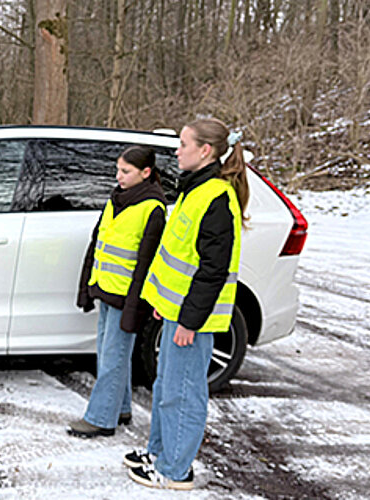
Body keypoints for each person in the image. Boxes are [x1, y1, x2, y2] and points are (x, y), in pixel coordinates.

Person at [125, 118, 247, 490]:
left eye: (182, 144)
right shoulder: (195, 190)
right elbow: (181, 257)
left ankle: (175, 470)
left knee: (183, 394)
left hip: (193, 322)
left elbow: (213, 270)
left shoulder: (216, 199)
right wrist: (165, 305)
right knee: (166, 388)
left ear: (204, 150)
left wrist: (190, 321)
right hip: (176, 313)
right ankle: (160, 452)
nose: (176, 151)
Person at [68, 146, 166, 438]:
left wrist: (136, 308)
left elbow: (146, 265)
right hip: (106, 289)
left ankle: (101, 418)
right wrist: (87, 287)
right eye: (118, 169)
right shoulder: (117, 198)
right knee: (109, 352)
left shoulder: (152, 208)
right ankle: (120, 407)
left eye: (126, 171)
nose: (118, 176)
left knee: (114, 355)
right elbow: (97, 242)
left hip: (127, 298)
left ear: (145, 173)